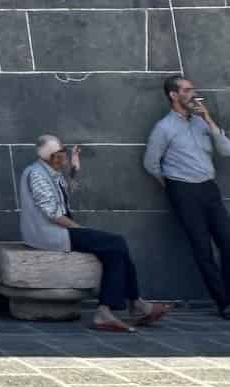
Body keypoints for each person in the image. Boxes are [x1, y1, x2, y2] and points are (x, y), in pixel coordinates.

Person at [21, 134, 168, 331]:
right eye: (61, 153)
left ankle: (126, 306)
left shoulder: (50, 171)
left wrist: (74, 169)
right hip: (50, 233)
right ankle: (130, 306)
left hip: (61, 229)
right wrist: (80, 229)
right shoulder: (37, 174)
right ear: (50, 156)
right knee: (115, 242)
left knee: (115, 248)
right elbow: (53, 214)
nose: (64, 156)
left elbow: (63, 193)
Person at [144, 73, 230, 316]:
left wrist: (209, 119)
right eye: (187, 90)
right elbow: (151, 163)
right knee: (202, 248)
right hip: (183, 190)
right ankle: (223, 302)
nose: (193, 94)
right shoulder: (164, 128)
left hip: (209, 188)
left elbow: (226, 150)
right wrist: (172, 185)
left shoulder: (201, 122)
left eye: (192, 89)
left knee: (227, 241)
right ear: (174, 95)